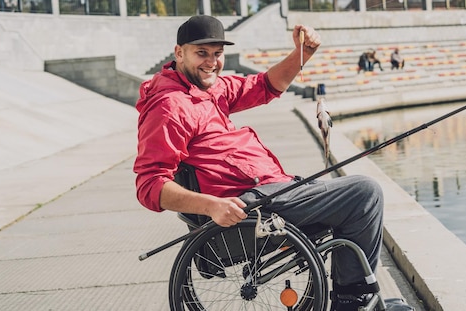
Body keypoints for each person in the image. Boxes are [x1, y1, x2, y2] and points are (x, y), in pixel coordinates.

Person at [133, 15, 411, 311]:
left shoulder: (209, 88)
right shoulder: (170, 107)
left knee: (351, 199)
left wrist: (302, 54)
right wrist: (211, 205)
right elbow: (149, 186)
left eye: (217, 54)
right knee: (364, 193)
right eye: (201, 53)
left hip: (272, 191)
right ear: (179, 53)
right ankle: (354, 302)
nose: (211, 62)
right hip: (251, 208)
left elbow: (265, 86)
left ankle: (354, 296)